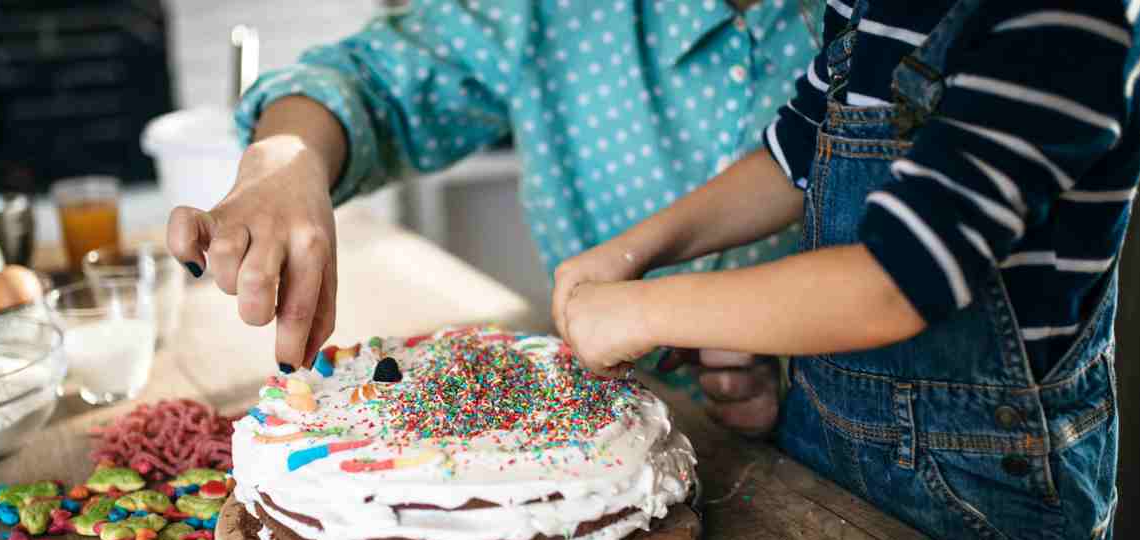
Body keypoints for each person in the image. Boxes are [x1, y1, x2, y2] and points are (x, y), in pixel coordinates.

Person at [553, 0, 1140, 540]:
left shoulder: (1078, 17)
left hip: (985, 491)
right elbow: (794, 156)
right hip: (823, 437)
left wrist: (643, 312)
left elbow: (897, 281)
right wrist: (630, 252)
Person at [165, 0, 819, 435]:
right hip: (584, 443)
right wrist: (289, 156)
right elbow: (378, 82)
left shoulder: (895, 28)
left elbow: (906, 258)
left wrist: (810, 374)